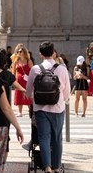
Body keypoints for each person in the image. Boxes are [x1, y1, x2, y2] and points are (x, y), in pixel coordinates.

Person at [26, 42, 71, 173]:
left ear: (40, 54)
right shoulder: (62, 69)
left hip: (40, 109)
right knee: (57, 138)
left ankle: (47, 167)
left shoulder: (35, 69)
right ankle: (57, 166)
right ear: (53, 53)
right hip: (58, 109)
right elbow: (67, 93)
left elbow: (29, 93)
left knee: (43, 138)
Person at [11, 45, 33, 117]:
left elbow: (32, 71)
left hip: (27, 80)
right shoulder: (16, 61)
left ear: (24, 52)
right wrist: (13, 80)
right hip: (18, 80)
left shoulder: (28, 61)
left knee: (27, 95)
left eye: (20, 51)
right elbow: (13, 71)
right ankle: (20, 112)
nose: (18, 53)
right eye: (17, 51)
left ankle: (31, 110)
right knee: (19, 95)